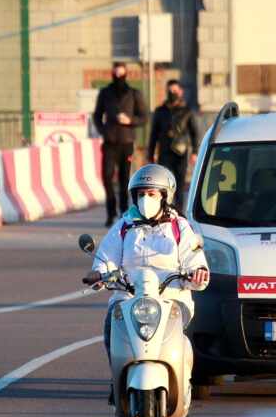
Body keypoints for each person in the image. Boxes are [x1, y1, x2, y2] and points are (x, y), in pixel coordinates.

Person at [83, 165, 210, 398]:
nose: (145, 199)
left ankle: (182, 383)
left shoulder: (180, 227)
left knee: (177, 335)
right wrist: (100, 273)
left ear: (165, 196)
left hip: (170, 297)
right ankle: (117, 378)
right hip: (129, 295)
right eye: (141, 194)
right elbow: (106, 258)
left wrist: (198, 272)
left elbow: (195, 258)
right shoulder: (123, 226)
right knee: (111, 325)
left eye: (151, 194)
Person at [92, 62, 148, 227]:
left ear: (126, 75)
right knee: (107, 176)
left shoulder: (133, 93)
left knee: (125, 179)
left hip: (126, 142)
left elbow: (144, 117)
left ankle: (124, 212)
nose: (118, 77)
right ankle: (111, 212)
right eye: (116, 74)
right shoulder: (105, 93)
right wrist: (104, 130)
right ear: (112, 74)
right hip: (110, 142)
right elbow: (97, 115)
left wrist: (130, 120)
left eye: (121, 74)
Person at [147, 79, 201, 205]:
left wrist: (195, 152)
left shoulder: (187, 111)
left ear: (180, 92)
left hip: (180, 153)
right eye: (170, 91)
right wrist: (150, 154)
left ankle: (179, 211)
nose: (172, 93)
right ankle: (165, 208)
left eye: (175, 91)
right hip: (164, 152)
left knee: (179, 183)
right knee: (164, 182)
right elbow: (153, 134)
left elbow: (194, 133)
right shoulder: (160, 111)